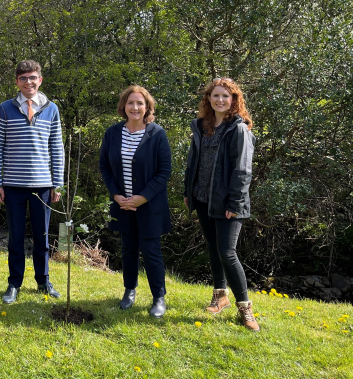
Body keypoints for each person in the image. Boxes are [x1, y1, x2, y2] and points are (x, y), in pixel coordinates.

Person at [183, 77, 259, 331]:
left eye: (226, 96)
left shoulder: (239, 128)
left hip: (228, 201)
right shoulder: (201, 126)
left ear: (234, 100)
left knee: (227, 252)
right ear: (208, 99)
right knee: (213, 248)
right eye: (215, 96)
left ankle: (245, 308)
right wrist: (189, 191)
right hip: (203, 197)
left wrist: (235, 202)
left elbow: (243, 169)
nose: (220, 100)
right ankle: (220, 295)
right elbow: (193, 161)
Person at [0, 59, 64, 304]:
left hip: (43, 187)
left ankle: (43, 281)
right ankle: (14, 284)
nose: (28, 82)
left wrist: (58, 183)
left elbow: (57, 148)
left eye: (32, 77)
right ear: (17, 82)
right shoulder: (5, 108)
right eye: (23, 78)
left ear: (40, 80)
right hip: (12, 186)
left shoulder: (51, 109)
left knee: (43, 238)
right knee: (15, 237)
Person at [99, 85, 172, 318]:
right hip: (123, 205)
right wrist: (115, 194)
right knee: (128, 250)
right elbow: (105, 167)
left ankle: (158, 297)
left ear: (147, 107)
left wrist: (143, 197)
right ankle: (129, 291)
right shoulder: (112, 133)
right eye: (131, 102)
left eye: (140, 103)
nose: (135, 107)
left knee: (151, 252)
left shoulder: (157, 134)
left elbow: (164, 171)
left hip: (149, 206)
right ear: (124, 106)